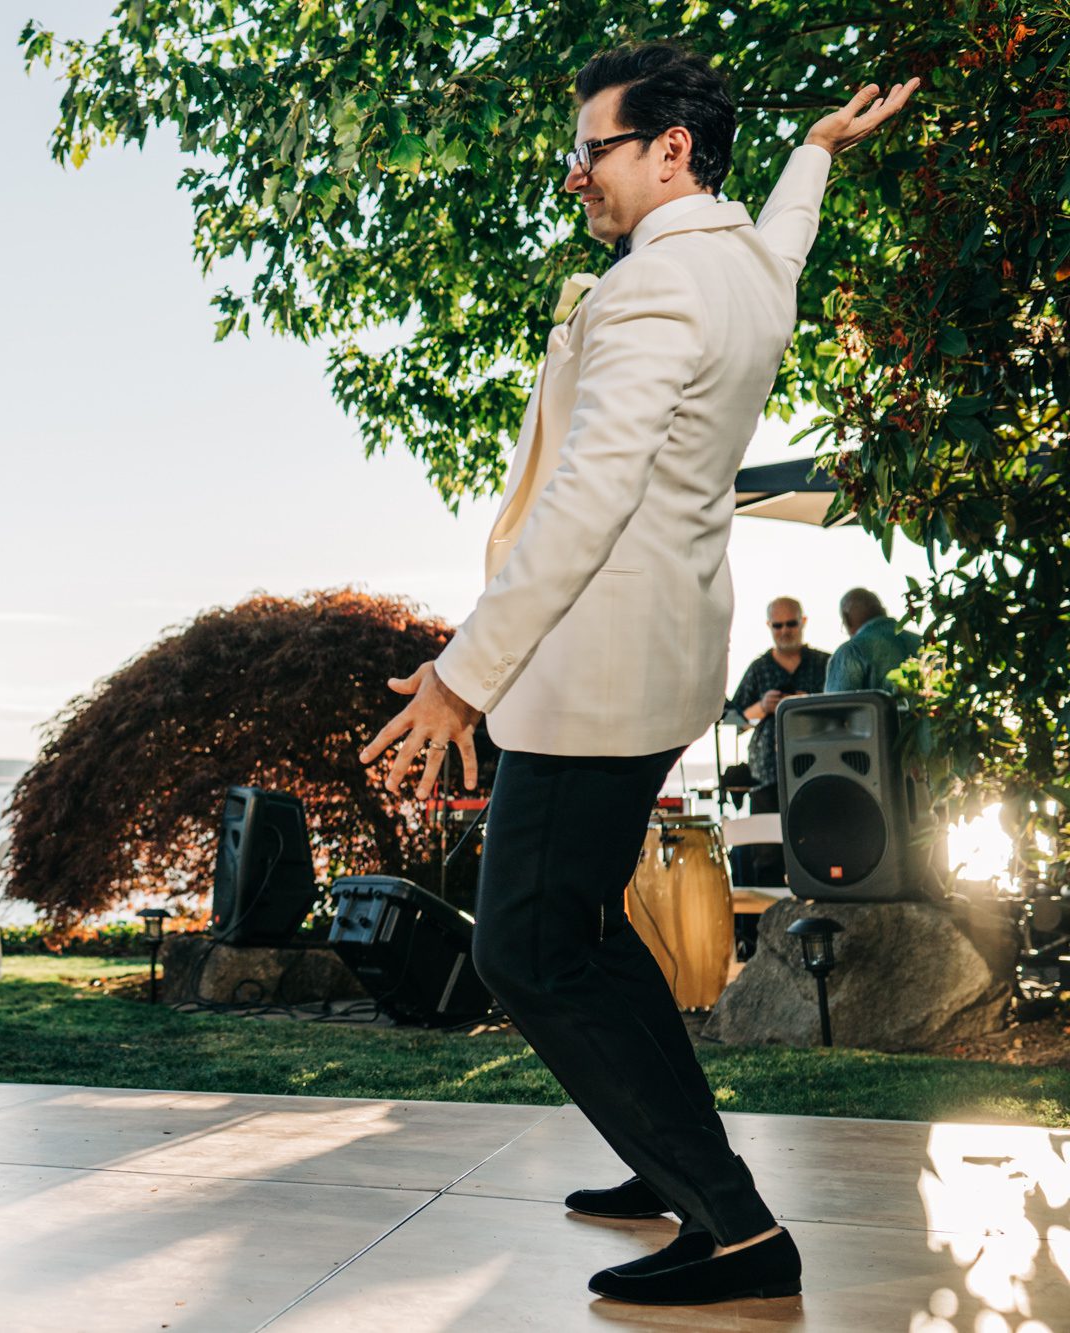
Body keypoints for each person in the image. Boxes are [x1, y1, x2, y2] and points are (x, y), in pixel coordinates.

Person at [359, 43, 918, 1305]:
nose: (574, 178)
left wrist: (463, 676)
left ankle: (732, 1227)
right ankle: (666, 1162)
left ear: (668, 149)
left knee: (526, 951)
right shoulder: (741, 271)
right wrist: (814, 155)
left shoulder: (652, 293)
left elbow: (586, 497)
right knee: (584, 931)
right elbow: (785, 245)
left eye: (592, 150)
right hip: (654, 666)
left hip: (588, 677)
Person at [722, 598, 830, 884]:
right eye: (777, 625)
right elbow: (732, 721)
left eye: (790, 624)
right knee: (767, 858)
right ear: (769, 626)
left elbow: (843, 710)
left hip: (817, 772)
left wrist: (808, 703)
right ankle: (768, 924)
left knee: (818, 848)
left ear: (803, 622)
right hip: (767, 778)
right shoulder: (759, 669)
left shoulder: (823, 664)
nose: (784, 631)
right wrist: (762, 707)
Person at [826, 587, 922, 694]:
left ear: (847, 619)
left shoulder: (851, 651)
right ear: (883, 610)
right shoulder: (924, 643)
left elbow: (835, 707)